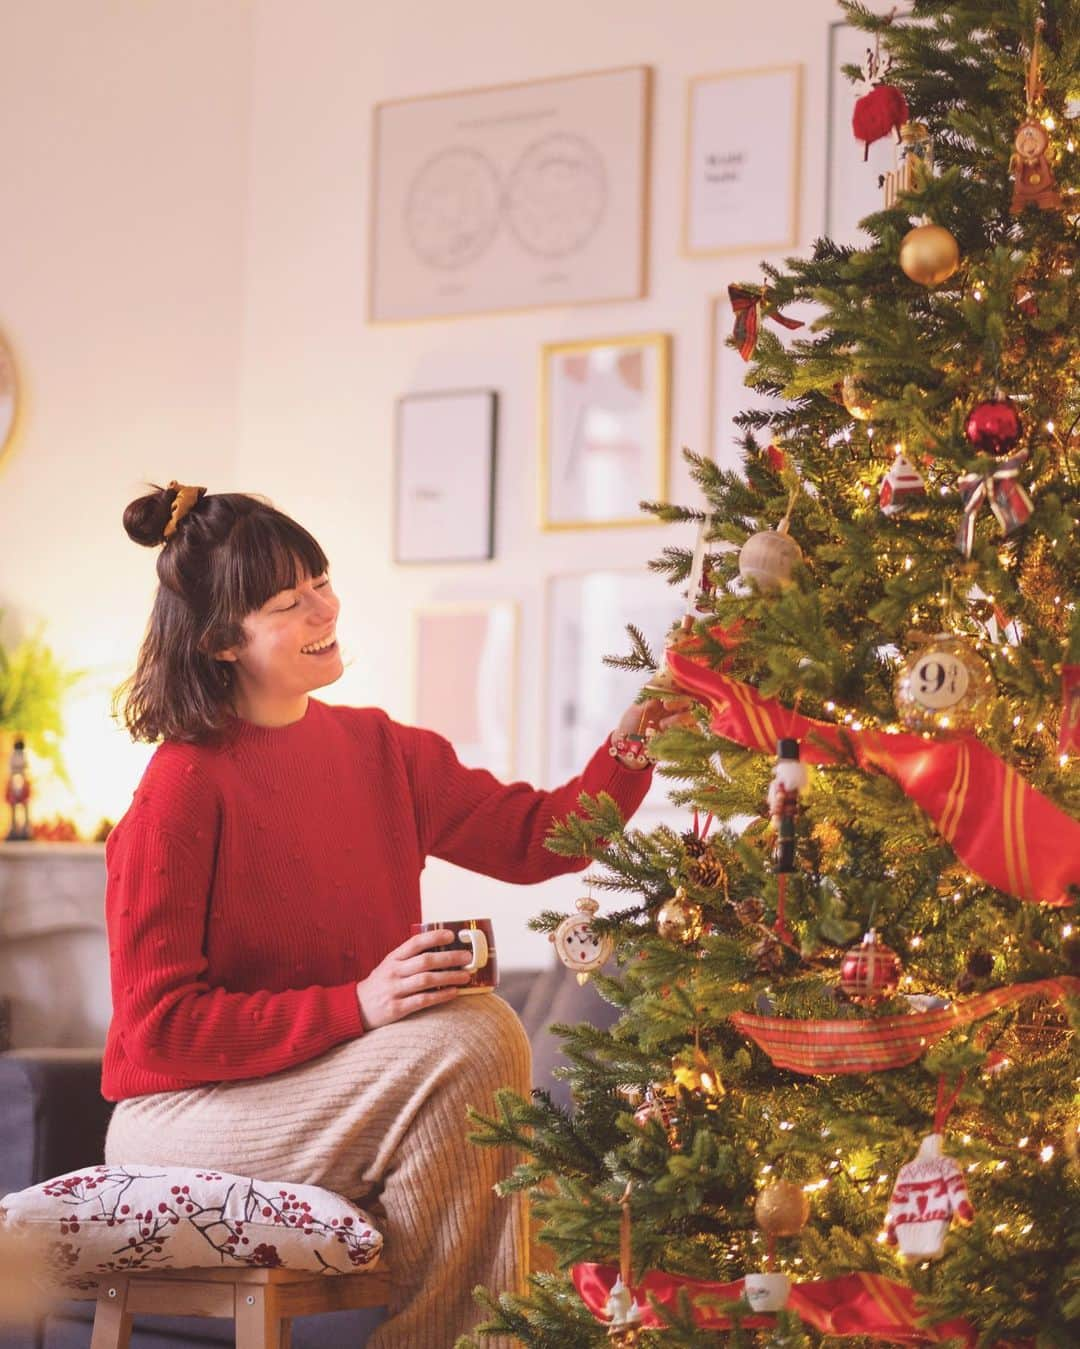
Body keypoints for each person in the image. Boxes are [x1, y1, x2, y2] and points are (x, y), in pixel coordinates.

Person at [102, 482, 688, 1348]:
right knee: (474, 1036)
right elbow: (157, 1030)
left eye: (322, 579)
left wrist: (644, 727)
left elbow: (542, 839)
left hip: (334, 1089)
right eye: (288, 601)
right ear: (223, 641)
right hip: (184, 1115)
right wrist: (359, 1005)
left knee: (473, 1047)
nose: (324, 607)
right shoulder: (181, 787)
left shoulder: (378, 748)